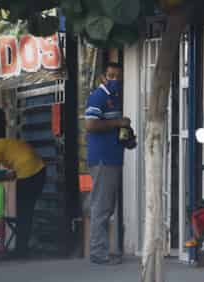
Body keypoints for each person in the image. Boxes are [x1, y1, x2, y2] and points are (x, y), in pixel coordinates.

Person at [0, 104, 45, 258]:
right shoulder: (3, 143)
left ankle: (21, 250)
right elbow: (9, 169)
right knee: (25, 212)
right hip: (38, 170)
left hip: (29, 172)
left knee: (23, 212)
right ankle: (22, 247)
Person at [85, 62, 134, 265]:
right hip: (103, 160)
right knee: (101, 207)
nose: (115, 80)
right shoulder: (99, 96)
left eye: (118, 76)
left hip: (112, 158)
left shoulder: (113, 99)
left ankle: (103, 250)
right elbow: (90, 124)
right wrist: (118, 123)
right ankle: (98, 253)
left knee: (106, 207)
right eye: (111, 75)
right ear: (103, 77)